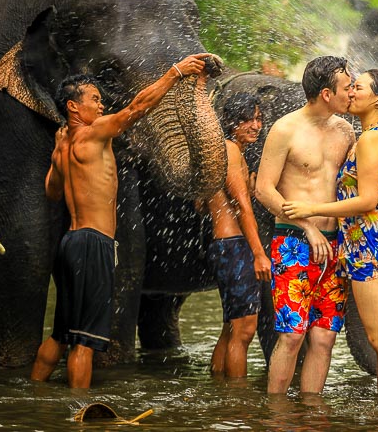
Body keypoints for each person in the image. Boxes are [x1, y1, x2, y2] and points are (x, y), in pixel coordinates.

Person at [30, 52, 221, 389]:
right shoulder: (94, 133)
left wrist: (56, 154)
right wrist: (175, 72)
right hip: (93, 244)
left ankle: (33, 395)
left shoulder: (63, 145)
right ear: (73, 107)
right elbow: (137, 108)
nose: (101, 106)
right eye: (94, 99)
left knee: (61, 333)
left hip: (71, 243)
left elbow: (53, 192)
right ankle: (78, 410)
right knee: (84, 341)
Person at [283, 69, 378, 402]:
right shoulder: (371, 135)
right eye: (350, 87)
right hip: (369, 243)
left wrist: (311, 210)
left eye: (359, 88)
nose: (351, 93)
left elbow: (367, 201)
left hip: (372, 244)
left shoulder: (371, 140)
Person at [255, 55, 355, 395]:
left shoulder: (345, 130)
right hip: (295, 241)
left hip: (335, 245)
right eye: (347, 87)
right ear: (327, 94)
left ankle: (312, 416)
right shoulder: (285, 129)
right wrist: (308, 226)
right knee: (293, 335)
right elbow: (263, 188)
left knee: (324, 337)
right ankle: (277, 415)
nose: (352, 93)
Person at [195, 92, 271, 378]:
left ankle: (220, 394)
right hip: (235, 246)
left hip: (222, 245)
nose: (255, 125)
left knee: (231, 327)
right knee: (245, 330)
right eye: (247, 120)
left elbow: (201, 204)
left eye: (258, 119)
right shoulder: (231, 150)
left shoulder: (219, 150)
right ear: (230, 122)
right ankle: (237, 405)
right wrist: (259, 254)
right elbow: (242, 208)